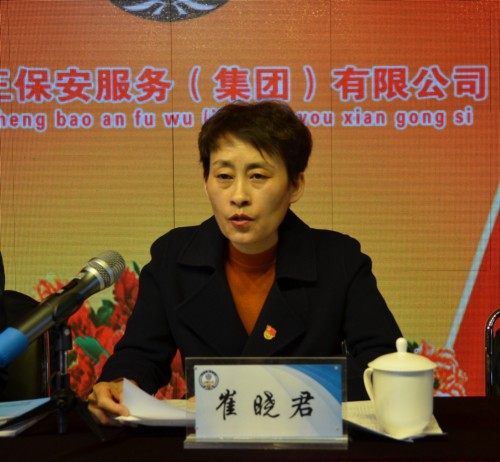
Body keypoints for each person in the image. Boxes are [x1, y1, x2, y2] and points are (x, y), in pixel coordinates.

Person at [88, 100, 402, 425]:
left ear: (295, 185)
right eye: (224, 176)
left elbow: (384, 365)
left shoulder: (339, 260)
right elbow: (141, 354)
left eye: (257, 176)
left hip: (305, 437)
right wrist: (121, 384)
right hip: (209, 442)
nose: (238, 195)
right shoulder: (173, 257)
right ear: (206, 182)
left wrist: (263, 389)